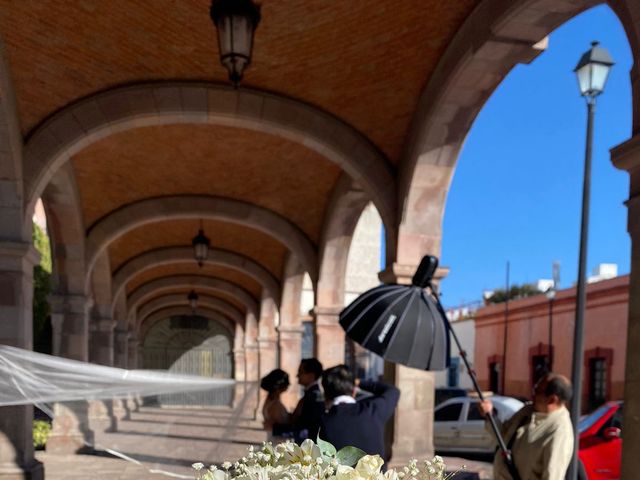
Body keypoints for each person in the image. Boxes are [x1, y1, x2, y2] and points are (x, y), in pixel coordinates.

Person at [478, 372, 574, 480]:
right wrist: (490, 416)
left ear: (552, 399)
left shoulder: (559, 433)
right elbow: (504, 435)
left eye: (537, 391)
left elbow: (552, 476)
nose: (532, 394)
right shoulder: (527, 410)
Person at [318, 365, 400, 463]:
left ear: (325, 395)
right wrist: (359, 382)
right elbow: (393, 391)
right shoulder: (373, 410)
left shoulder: (321, 421)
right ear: (354, 391)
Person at [291, 358, 325, 441]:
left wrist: (276, 428)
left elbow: (306, 428)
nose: (297, 375)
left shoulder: (314, 397)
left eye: (301, 372)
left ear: (311, 376)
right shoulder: (310, 395)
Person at [260, 368, 292, 443]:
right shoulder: (275, 405)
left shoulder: (270, 400)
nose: (289, 384)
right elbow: (278, 427)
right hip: (278, 443)